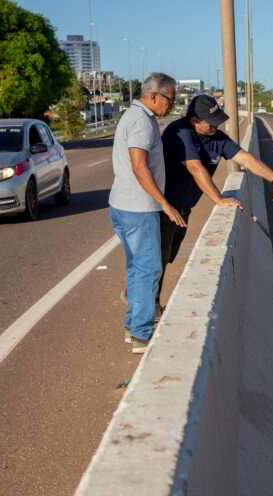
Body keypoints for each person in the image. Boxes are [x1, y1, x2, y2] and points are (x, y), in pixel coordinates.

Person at [156, 94, 273, 299]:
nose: (216, 126)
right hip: (163, 209)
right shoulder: (179, 132)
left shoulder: (216, 137)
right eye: (211, 123)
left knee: (167, 257)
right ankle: (148, 307)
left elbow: (245, 158)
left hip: (183, 209)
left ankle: (141, 294)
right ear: (195, 121)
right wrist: (218, 198)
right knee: (157, 262)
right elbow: (195, 168)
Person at [109, 72, 187, 354]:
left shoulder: (135, 116)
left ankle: (133, 327)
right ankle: (142, 336)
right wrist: (165, 204)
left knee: (136, 268)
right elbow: (139, 166)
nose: (172, 104)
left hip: (123, 206)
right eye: (170, 99)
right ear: (153, 95)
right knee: (150, 269)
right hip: (139, 209)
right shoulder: (142, 121)